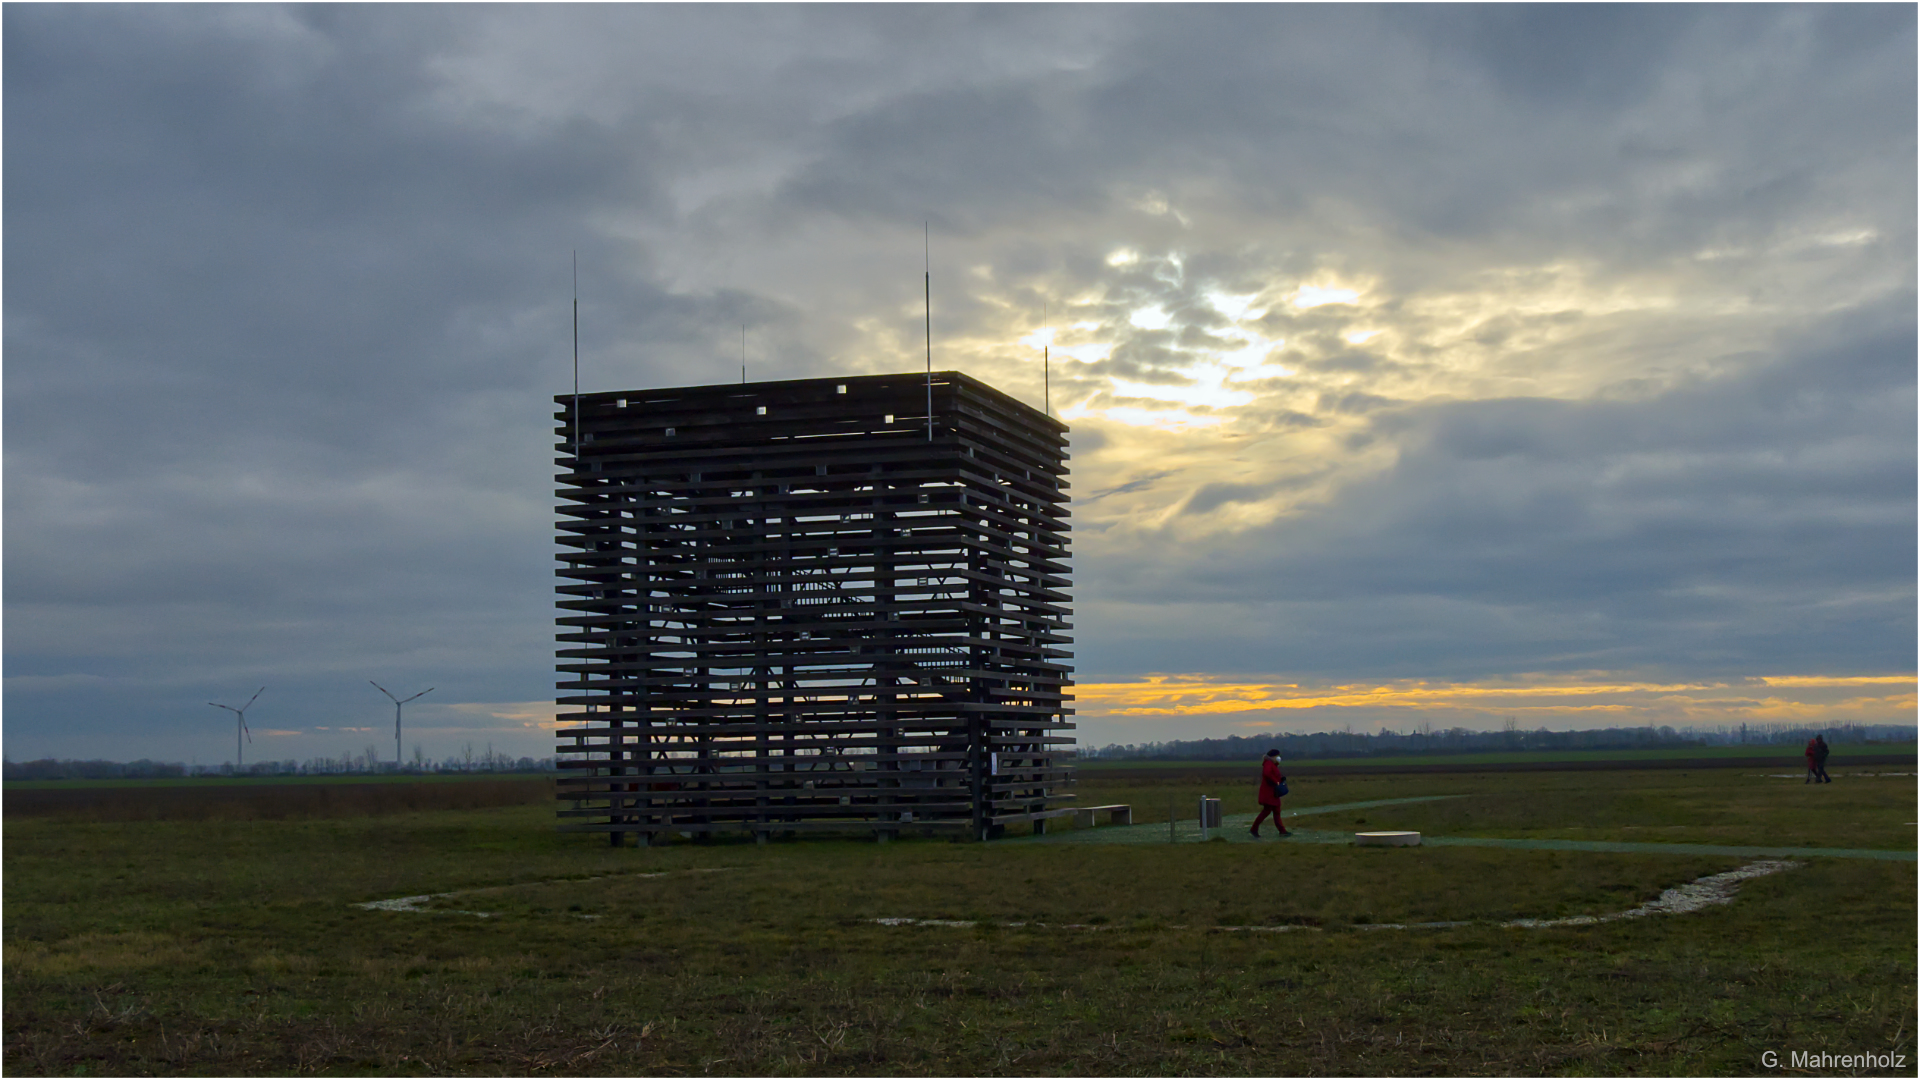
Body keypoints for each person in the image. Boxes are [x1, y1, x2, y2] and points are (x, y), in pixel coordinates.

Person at [1250, 749, 1290, 837]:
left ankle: (1282, 831)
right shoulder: (1268, 764)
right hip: (1269, 792)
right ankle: (1254, 828)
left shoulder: (1272, 764)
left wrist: (1281, 778)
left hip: (1272, 792)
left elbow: (1273, 774)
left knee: (1275, 811)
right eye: (1277, 756)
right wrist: (1276, 781)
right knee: (1267, 811)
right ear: (1273, 756)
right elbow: (1267, 774)